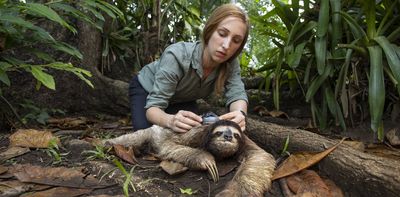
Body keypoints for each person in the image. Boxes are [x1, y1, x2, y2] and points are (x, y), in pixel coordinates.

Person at [129, 3, 249, 133]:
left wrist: (240, 114)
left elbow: (237, 94)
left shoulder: (230, 63)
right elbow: (153, 108)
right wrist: (170, 120)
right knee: (146, 132)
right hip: (147, 89)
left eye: (236, 41)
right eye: (222, 34)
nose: (226, 45)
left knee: (194, 131)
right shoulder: (177, 55)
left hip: (182, 98)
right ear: (209, 31)